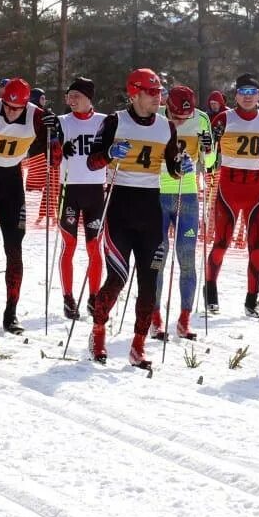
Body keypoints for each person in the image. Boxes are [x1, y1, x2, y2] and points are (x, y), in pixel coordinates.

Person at [85, 68, 186, 367]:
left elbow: (173, 169)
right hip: (120, 205)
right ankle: (98, 332)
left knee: (149, 280)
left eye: (159, 92)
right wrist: (111, 153)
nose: (158, 98)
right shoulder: (115, 121)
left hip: (151, 210)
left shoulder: (167, 127)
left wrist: (184, 165)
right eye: (151, 93)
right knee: (117, 277)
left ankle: (138, 345)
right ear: (134, 94)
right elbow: (92, 161)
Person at [0, 77, 50, 334]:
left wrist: (53, 134)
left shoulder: (36, 116)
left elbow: (55, 156)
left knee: (14, 249)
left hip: (12, 184)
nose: (11, 111)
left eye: (17, 108)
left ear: (26, 104)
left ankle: (11, 312)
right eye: (8, 106)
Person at [205, 74, 259, 318]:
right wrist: (210, 141)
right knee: (221, 244)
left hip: (257, 191)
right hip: (228, 189)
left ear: (258, 96)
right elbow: (209, 159)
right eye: (242, 91)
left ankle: (251, 301)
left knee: (256, 248)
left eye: (251, 92)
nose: (247, 96)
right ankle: (210, 292)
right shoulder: (224, 118)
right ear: (235, 95)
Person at [153, 85, 213, 341]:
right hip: (156, 193)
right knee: (158, 258)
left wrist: (210, 150)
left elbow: (209, 164)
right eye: (175, 116)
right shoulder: (155, 117)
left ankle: (185, 319)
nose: (179, 121)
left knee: (187, 257)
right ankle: (154, 317)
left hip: (187, 195)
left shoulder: (201, 119)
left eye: (184, 118)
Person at [56, 76, 106, 320]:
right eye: (69, 96)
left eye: (76, 96)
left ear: (89, 98)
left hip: (96, 191)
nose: (71, 100)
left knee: (95, 248)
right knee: (69, 245)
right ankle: (68, 297)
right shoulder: (61, 122)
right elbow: (48, 152)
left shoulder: (105, 122)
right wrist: (57, 149)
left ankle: (94, 297)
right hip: (70, 190)